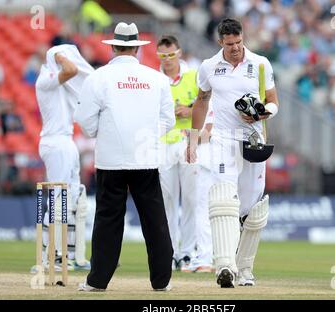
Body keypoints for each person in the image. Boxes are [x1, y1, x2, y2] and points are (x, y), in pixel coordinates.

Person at [75, 22, 175, 292]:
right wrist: (147, 138)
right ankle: (162, 281)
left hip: (111, 158)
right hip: (146, 158)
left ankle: (97, 281)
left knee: (108, 218)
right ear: (135, 49)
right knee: (155, 219)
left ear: (114, 48)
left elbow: (85, 122)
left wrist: (102, 131)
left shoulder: (98, 77)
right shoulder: (157, 78)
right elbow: (168, 120)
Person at [187, 18, 279, 288]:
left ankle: (245, 269)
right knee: (224, 198)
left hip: (253, 140)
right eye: (230, 44)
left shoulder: (260, 63)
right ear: (221, 42)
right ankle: (224, 266)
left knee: (252, 208)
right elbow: (201, 101)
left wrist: (263, 112)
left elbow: (274, 102)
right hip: (224, 140)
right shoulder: (209, 67)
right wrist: (193, 140)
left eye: (239, 42)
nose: (236, 48)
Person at [35, 44, 94, 272]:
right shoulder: (46, 78)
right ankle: (50, 255)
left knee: (73, 198)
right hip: (54, 141)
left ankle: (71, 255)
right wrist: (57, 54)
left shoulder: (61, 83)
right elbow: (70, 69)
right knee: (59, 198)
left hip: (66, 140)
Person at [156, 35, 199, 271]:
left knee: (191, 198)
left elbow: (206, 106)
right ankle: (170, 252)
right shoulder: (155, 79)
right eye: (163, 55)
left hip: (187, 142)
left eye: (171, 54)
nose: (168, 60)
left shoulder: (193, 75)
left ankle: (187, 252)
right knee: (168, 200)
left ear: (179, 53)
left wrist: (189, 110)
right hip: (163, 144)